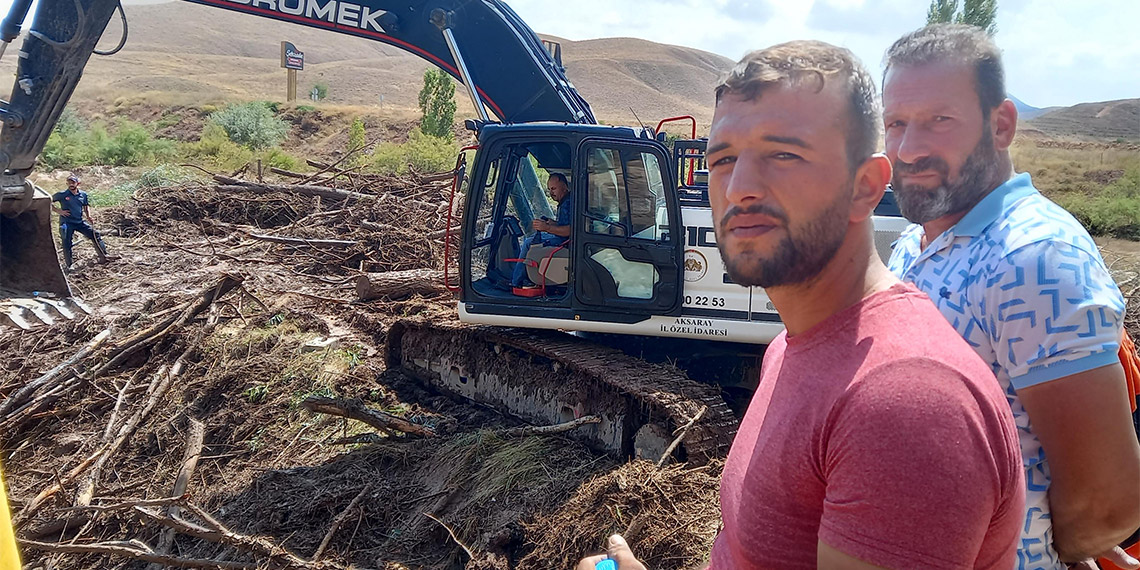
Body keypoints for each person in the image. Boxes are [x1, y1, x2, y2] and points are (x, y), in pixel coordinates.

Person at [578, 40, 1024, 570]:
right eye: (722, 159)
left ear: (865, 187)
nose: (739, 188)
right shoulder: (789, 347)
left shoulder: (904, 402)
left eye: (783, 154)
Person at [881, 24, 1140, 570]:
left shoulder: (1035, 257)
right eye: (896, 123)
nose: (908, 148)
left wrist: (1039, 549)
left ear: (1000, 125)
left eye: (939, 120)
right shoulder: (914, 242)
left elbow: (1109, 502)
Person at [511, 172, 572, 288]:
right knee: (530, 239)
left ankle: (516, 281)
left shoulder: (568, 204)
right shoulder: (566, 201)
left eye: (554, 189)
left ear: (564, 187)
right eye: (549, 189)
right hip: (563, 239)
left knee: (529, 243)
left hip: (564, 242)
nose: (551, 193)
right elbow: (566, 224)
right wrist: (552, 223)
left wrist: (547, 228)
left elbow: (570, 231)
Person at [51, 174, 108, 271]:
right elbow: (48, 201)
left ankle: (104, 256)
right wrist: (58, 211)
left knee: (95, 234)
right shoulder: (62, 194)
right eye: (69, 183)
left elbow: (85, 206)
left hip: (79, 222)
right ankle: (69, 265)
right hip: (67, 222)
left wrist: (88, 216)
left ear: (78, 183)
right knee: (66, 242)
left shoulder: (83, 194)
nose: (71, 184)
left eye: (73, 182)